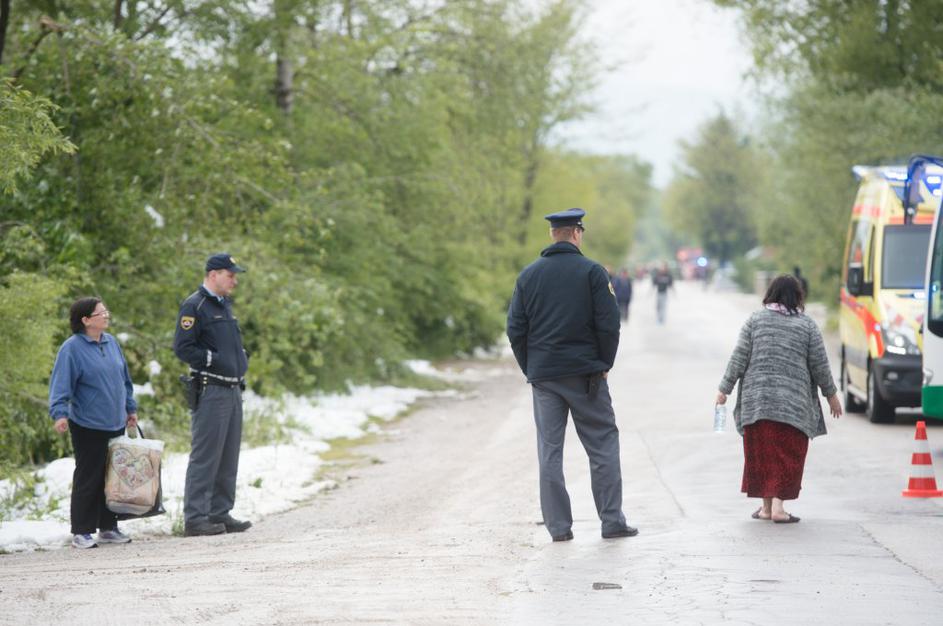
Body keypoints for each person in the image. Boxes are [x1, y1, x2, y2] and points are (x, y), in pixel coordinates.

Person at [506, 208, 637, 542]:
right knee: (602, 444)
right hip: (586, 375)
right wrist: (604, 363)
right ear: (577, 233)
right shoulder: (592, 272)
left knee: (549, 452)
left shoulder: (528, 276)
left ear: (552, 234)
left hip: (545, 376)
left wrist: (532, 367)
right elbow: (609, 324)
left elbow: (515, 329)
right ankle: (611, 521)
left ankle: (559, 528)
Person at [716, 275, 842, 523]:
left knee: (763, 454)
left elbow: (738, 357)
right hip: (793, 407)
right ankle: (778, 508)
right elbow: (820, 365)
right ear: (797, 296)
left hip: (757, 403)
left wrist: (724, 390)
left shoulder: (755, 320)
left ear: (771, 293)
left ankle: (766, 508)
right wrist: (831, 396)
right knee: (787, 455)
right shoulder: (807, 326)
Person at [49, 297, 138, 549]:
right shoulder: (71, 349)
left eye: (106, 311)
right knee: (88, 477)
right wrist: (59, 414)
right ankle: (81, 531)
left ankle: (108, 528)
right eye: (101, 313)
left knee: (111, 478)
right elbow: (61, 384)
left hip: (115, 421)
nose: (106, 315)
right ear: (86, 320)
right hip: (87, 423)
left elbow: (124, 380)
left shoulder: (111, 343)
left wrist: (130, 408)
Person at [174, 253, 252, 537]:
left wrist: (239, 358)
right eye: (230, 275)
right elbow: (183, 347)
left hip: (232, 389)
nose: (234, 281)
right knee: (206, 456)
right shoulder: (195, 305)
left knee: (228, 456)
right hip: (211, 389)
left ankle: (220, 512)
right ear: (213, 275)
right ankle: (195, 518)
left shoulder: (224, 305)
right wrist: (215, 359)